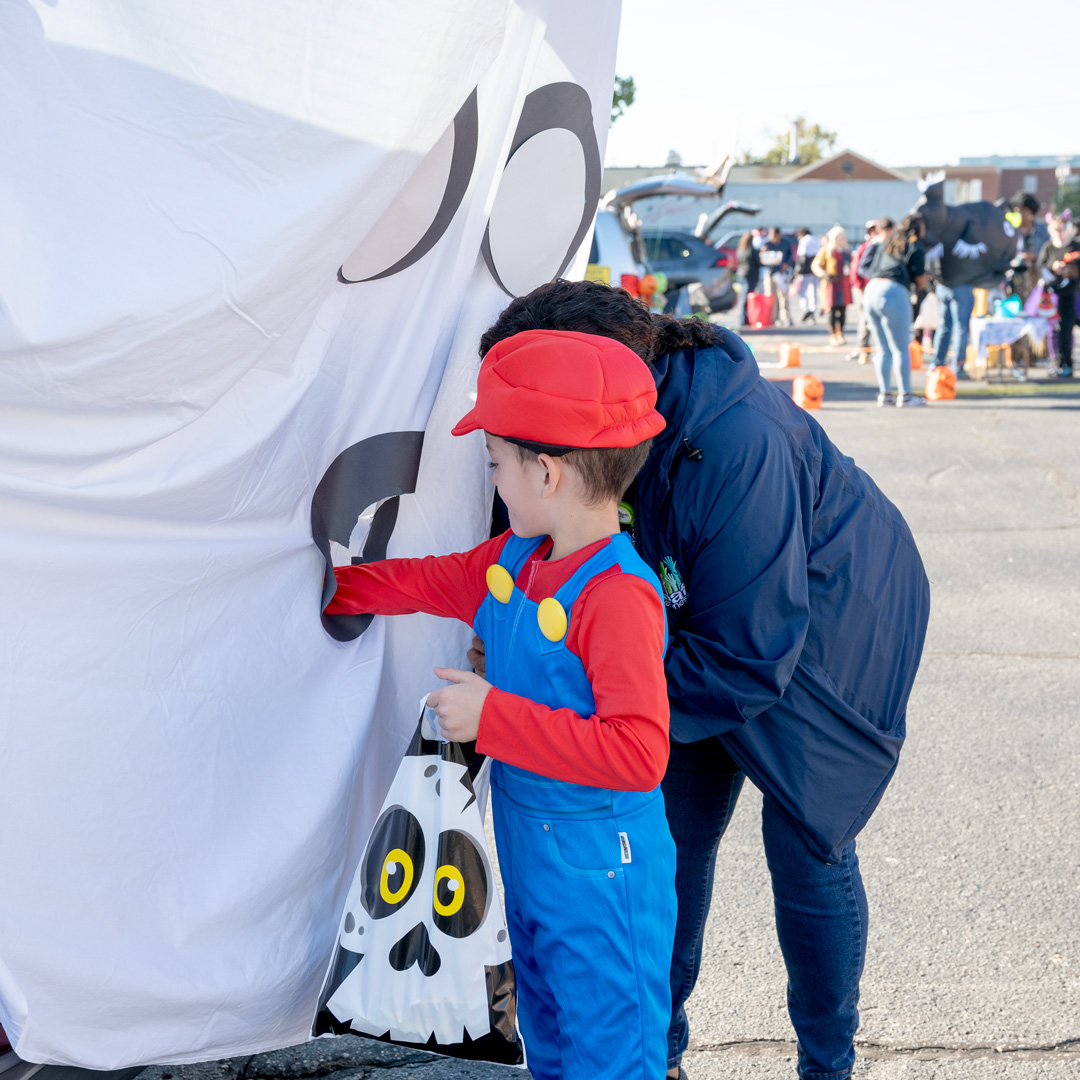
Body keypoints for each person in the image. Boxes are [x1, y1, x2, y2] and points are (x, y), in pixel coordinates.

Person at [472, 279, 930, 1080]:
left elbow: (749, 654)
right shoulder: (590, 427)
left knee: (808, 846)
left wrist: (589, 699)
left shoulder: (737, 442)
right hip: (701, 624)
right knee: (666, 841)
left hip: (830, 625)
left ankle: (827, 1066)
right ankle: (659, 1054)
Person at [325, 329, 677, 1080]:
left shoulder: (618, 596)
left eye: (494, 464)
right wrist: (329, 587)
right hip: (533, 858)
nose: (492, 482)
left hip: (604, 874)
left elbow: (639, 753)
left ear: (545, 473)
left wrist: (495, 720)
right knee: (547, 1044)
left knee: (612, 1058)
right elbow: (426, 580)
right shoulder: (514, 562)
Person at [859, 213, 929, 407]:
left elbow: (871, 269)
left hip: (871, 291)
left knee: (882, 349)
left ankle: (885, 394)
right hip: (893, 291)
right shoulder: (915, 246)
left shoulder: (886, 243)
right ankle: (905, 395)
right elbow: (920, 279)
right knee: (900, 348)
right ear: (918, 228)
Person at [1036, 211, 1080, 378]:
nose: (1058, 233)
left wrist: (1070, 269)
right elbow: (1040, 267)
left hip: (1073, 294)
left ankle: (1067, 363)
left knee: (1067, 329)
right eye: (1055, 230)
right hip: (1054, 296)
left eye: (1061, 229)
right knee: (1056, 331)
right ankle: (1059, 363)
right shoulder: (1048, 247)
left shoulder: (1075, 246)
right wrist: (1053, 267)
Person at [811, 225, 852, 345]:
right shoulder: (826, 251)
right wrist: (823, 274)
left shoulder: (847, 251)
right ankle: (833, 334)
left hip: (843, 283)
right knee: (832, 310)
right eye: (840, 237)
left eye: (843, 237)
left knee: (843, 310)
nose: (842, 240)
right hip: (831, 284)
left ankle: (841, 333)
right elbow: (815, 265)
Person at [1007, 191, 1050, 303]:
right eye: (1017, 211)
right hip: (1016, 277)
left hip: (1037, 277)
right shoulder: (1011, 230)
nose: (1019, 215)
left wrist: (1034, 256)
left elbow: (1050, 252)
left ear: (1032, 213)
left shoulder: (1043, 231)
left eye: (1023, 211)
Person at [848, 219, 877, 362]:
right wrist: (861, 287)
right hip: (864, 289)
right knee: (865, 320)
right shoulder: (863, 248)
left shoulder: (883, 248)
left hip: (877, 289)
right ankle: (863, 349)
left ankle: (876, 350)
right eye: (872, 231)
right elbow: (855, 270)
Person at [760, 227, 793, 326]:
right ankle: (773, 318)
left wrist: (786, 263)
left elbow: (790, 255)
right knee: (771, 296)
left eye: (775, 236)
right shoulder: (767, 244)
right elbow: (762, 259)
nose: (773, 238)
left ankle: (786, 318)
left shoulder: (785, 243)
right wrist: (763, 252)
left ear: (779, 235)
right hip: (770, 273)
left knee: (783, 296)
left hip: (781, 273)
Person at [794, 227, 822, 323]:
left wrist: (798, 270)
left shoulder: (804, 241)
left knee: (802, 291)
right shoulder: (816, 240)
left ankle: (806, 310)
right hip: (815, 269)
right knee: (813, 291)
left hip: (806, 270)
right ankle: (813, 311)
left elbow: (802, 257)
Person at [736, 231, 761, 327]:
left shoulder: (740, 249)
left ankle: (743, 318)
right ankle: (744, 319)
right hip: (750, 274)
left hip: (741, 274)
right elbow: (758, 263)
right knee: (746, 298)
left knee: (743, 297)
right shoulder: (752, 250)